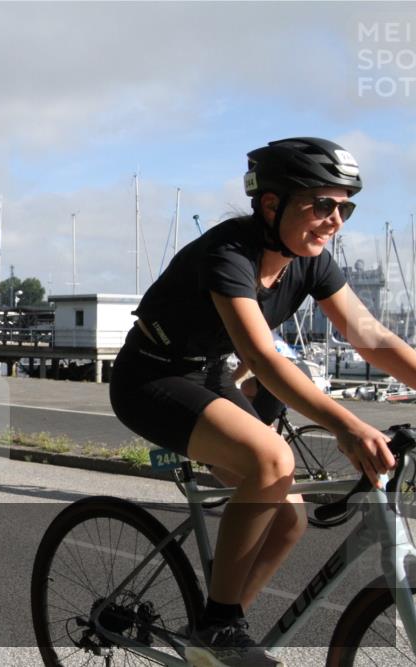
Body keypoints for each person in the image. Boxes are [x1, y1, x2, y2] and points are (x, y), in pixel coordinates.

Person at [109, 137, 416, 667]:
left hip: (207, 374)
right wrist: (345, 425)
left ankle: (214, 641)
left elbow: (371, 338)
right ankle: (219, 626)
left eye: (345, 206)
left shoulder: (310, 261)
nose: (335, 220)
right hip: (148, 377)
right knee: (272, 460)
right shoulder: (229, 254)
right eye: (322, 205)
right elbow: (264, 358)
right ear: (271, 204)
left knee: (289, 515)